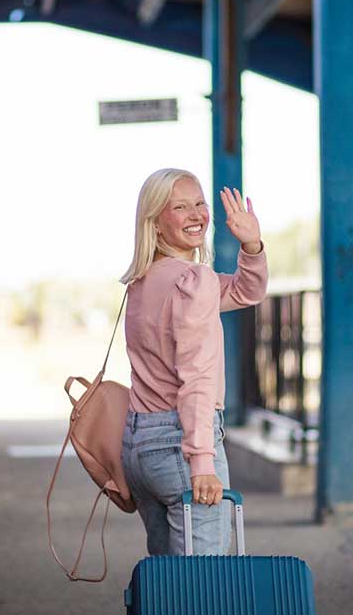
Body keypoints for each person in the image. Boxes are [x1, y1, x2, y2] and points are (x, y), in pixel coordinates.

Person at [118, 168, 267, 556]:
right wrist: (202, 461)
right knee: (203, 588)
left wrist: (251, 245)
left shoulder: (144, 280)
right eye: (180, 207)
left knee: (170, 587)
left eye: (200, 203)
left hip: (140, 448)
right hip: (182, 448)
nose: (196, 214)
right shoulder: (193, 281)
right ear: (155, 221)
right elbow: (197, 377)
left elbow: (245, 291)